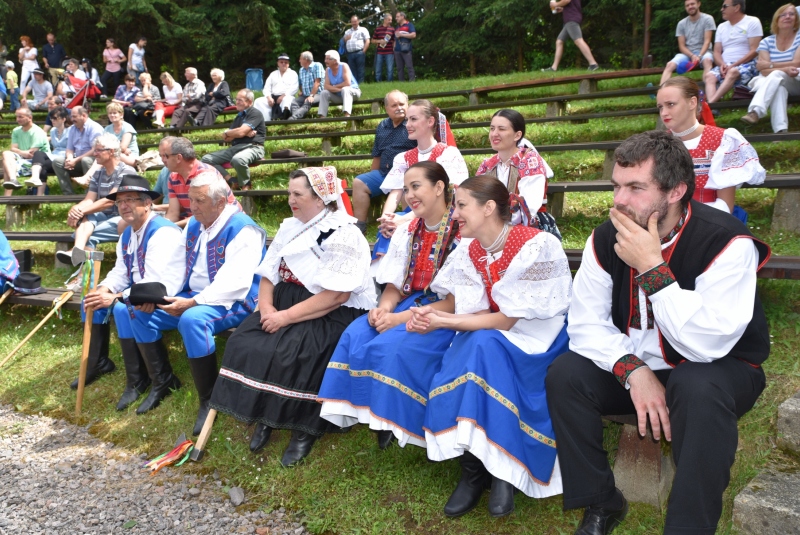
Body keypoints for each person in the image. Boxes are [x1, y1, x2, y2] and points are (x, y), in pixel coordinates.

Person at [546, 129, 770, 535]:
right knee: (566, 375)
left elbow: (708, 342)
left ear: (676, 191)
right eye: (617, 186)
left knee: (696, 385)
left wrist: (653, 269)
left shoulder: (728, 242)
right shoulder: (605, 237)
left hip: (723, 365)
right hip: (645, 365)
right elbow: (583, 323)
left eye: (635, 188)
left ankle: (688, 527)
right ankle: (602, 501)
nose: (619, 200)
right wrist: (633, 371)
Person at [416, 175, 571, 518]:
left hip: (538, 339)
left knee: (481, 345)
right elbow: (474, 311)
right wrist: (427, 315)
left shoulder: (536, 244)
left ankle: (501, 471)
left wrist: (443, 322)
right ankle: (476, 469)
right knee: (478, 345)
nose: (453, 213)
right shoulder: (470, 250)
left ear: (488, 208)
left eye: (460, 205)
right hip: (493, 333)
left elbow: (506, 320)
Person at [208, 166, 375, 464]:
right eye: (289, 193)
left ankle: (304, 428)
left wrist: (284, 318)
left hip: (329, 310)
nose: (290, 200)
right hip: (287, 300)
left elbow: (336, 295)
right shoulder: (290, 226)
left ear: (320, 198)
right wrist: (268, 307)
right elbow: (269, 271)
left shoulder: (344, 234)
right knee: (247, 342)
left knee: (299, 351)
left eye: (297, 194)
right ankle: (266, 413)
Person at [318, 161, 460, 451]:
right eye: (406, 189)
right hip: (409, 301)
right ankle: (373, 411)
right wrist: (384, 308)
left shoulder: (461, 232)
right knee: (356, 335)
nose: (409, 195)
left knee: (394, 346)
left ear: (439, 187)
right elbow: (394, 284)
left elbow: (456, 301)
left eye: (416, 187)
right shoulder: (408, 229)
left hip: (445, 311)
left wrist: (398, 319)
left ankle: (394, 418)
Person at [129, 171, 266, 426]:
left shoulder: (243, 228)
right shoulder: (194, 223)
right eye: (190, 200)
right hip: (195, 296)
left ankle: (210, 399)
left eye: (199, 201)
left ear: (221, 202)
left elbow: (235, 282)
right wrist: (160, 296)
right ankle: (162, 381)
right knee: (138, 310)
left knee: (192, 320)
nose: (192, 207)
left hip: (238, 300)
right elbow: (176, 265)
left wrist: (192, 303)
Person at [81, 175, 185, 409]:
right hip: (142, 290)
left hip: (167, 292)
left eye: (130, 199)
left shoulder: (163, 232)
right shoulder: (128, 232)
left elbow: (155, 281)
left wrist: (117, 296)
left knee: (121, 307)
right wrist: (104, 289)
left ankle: (152, 380)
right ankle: (119, 373)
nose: (124, 205)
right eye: (119, 202)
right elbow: (121, 271)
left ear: (147, 203)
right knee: (93, 300)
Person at [658, 76, 765, 215]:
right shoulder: (658, 144)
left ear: (692, 103)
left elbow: (726, 205)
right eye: (660, 107)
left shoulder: (722, 140)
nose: (664, 112)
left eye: (670, 104)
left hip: (711, 219)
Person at [376, 99, 467, 249]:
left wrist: (406, 219)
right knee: (389, 229)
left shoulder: (448, 154)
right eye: (407, 120)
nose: (407, 125)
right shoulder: (403, 157)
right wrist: (386, 219)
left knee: (402, 225)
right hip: (412, 213)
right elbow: (396, 193)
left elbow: (451, 194)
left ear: (430, 121)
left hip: (441, 214)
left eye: (413, 119)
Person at [476, 109, 561, 238]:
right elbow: (477, 199)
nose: (494, 134)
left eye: (502, 129)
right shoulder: (487, 165)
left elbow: (528, 207)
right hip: (493, 227)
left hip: (529, 228)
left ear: (517, 135)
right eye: (492, 128)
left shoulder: (530, 160)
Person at [56, 134, 136, 265]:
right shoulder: (98, 173)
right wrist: (76, 209)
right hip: (105, 215)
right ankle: (78, 254)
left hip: (125, 217)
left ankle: (82, 269)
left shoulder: (127, 171)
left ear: (111, 152)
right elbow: (89, 200)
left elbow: (110, 200)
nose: (94, 154)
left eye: (98, 150)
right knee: (88, 216)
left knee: (87, 234)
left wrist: (81, 212)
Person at [351, 90, 416, 234]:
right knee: (359, 182)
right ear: (386, 109)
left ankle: (408, 228)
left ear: (408, 105)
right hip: (384, 173)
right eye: (394, 105)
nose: (399, 108)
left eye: (402, 104)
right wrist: (373, 175)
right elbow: (377, 155)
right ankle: (360, 226)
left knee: (408, 189)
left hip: (407, 174)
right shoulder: (382, 126)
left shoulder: (412, 124)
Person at [741, 4, 800, 133]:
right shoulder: (766, 42)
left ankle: (755, 111)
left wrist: (771, 65)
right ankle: (780, 131)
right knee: (778, 86)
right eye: (783, 15)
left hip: (797, 81)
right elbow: (763, 70)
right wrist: (784, 68)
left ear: (796, 19)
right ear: (776, 20)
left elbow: (797, 63)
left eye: (791, 14)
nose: (787, 17)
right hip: (778, 80)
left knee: (776, 75)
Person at [161, 137, 239, 227]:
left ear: (179, 158)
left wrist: (172, 226)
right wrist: (165, 228)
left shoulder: (206, 175)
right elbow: (173, 213)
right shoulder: (173, 177)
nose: (164, 160)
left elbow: (208, 214)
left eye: (166, 156)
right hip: (201, 224)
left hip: (227, 223)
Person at [200, 89, 266, 191]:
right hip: (235, 148)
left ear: (249, 101)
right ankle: (232, 181)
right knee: (206, 159)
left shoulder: (255, 113)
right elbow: (226, 137)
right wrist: (233, 132)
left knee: (238, 159)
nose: (237, 102)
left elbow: (239, 133)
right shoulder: (239, 116)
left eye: (240, 100)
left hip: (253, 147)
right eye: (236, 99)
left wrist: (237, 132)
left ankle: (246, 184)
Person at [703, 0, 762, 104]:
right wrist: (722, 65)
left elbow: (754, 50)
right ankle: (713, 109)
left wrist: (734, 65)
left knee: (732, 72)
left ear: (736, 7)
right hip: (726, 65)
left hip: (747, 64)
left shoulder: (752, 22)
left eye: (725, 6)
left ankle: (710, 104)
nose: (722, 9)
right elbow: (716, 51)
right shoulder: (721, 27)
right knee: (709, 76)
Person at [660, 0, 716, 85]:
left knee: (707, 61)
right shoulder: (681, 24)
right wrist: (692, 56)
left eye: (692, 4)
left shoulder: (708, 19)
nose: (690, 7)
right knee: (669, 65)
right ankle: (661, 92)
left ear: (698, 4)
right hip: (688, 54)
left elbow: (707, 42)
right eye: (687, 5)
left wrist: (699, 56)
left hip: (704, 52)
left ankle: (706, 92)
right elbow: (681, 46)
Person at [51, 106, 104, 195]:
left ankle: (90, 194)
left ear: (83, 115)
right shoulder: (72, 129)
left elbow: (95, 150)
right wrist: (70, 159)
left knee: (86, 160)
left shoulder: (95, 128)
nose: (72, 119)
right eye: (71, 116)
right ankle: (68, 194)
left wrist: (76, 160)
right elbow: (70, 148)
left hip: (95, 161)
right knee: (57, 162)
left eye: (74, 116)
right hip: (78, 160)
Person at [24, 106, 71, 195]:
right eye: (51, 118)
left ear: (63, 119)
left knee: (42, 165)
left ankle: (39, 196)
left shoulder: (71, 131)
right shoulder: (53, 131)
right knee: (39, 155)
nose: (52, 120)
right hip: (54, 155)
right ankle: (37, 188)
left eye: (55, 118)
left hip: (64, 158)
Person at [542, 0, 599, 72]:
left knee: (578, 40)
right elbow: (573, 5)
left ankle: (593, 64)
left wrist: (555, 4)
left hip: (571, 19)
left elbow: (566, 0)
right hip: (570, 20)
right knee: (559, 41)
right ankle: (554, 67)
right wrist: (563, 9)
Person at [1, 108, 49, 194]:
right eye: (17, 117)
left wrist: (19, 152)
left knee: (7, 165)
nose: (17, 119)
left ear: (30, 117)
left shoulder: (37, 131)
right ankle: (13, 180)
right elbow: (13, 148)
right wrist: (22, 152)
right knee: (6, 154)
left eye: (20, 117)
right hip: (22, 158)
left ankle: (7, 200)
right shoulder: (16, 131)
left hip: (37, 163)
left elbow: (32, 153)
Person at [254, 55, 298, 122]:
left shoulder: (293, 74)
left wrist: (283, 96)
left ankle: (285, 117)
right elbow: (266, 88)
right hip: (273, 98)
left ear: (288, 64)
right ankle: (265, 121)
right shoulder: (273, 74)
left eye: (286, 62)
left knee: (287, 100)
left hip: (286, 96)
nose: (283, 64)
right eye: (281, 62)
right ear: (278, 63)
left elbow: (294, 88)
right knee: (258, 101)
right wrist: (269, 97)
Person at [317, 51, 361, 118]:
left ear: (335, 61)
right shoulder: (327, 70)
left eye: (328, 59)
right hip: (338, 95)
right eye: (325, 59)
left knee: (345, 89)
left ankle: (347, 116)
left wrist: (334, 87)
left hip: (352, 93)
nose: (325, 61)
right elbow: (326, 86)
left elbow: (347, 83)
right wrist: (339, 90)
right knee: (324, 93)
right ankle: (322, 117)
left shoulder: (344, 66)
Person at [289, 51, 325, 120]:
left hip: (318, 94)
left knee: (308, 101)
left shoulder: (317, 65)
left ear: (306, 59)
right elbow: (301, 83)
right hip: (305, 94)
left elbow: (317, 82)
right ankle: (297, 117)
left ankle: (293, 118)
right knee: (294, 102)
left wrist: (311, 96)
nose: (299, 61)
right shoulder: (301, 70)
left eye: (300, 59)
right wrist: (302, 91)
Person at [103, 102, 139, 167]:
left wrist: (111, 148)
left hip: (129, 156)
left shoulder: (127, 127)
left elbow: (122, 147)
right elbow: (103, 145)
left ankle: (89, 176)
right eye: (110, 113)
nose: (112, 115)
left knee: (107, 156)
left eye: (114, 113)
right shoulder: (107, 129)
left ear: (121, 115)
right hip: (113, 154)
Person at [344, 15, 370, 84]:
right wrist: (346, 39)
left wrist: (363, 51)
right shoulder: (347, 31)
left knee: (360, 70)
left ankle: (361, 85)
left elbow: (367, 41)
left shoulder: (363, 29)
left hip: (359, 52)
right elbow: (343, 41)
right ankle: (354, 84)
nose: (354, 23)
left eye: (355, 21)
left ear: (358, 21)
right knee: (352, 70)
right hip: (350, 54)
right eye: (352, 22)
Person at [394, 12, 417, 82]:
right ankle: (401, 82)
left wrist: (402, 35)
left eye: (397, 17)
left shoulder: (409, 25)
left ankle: (412, 81)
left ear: (402, 17)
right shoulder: (397, 27)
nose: (396, 18)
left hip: (406, 49)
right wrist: (394, 48)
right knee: (399, 68)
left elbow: (413, 35)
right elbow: (395, 39)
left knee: (409, 66)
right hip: (397, 50)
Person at [372, 14, 395, 82]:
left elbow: (394, 40)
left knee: (390, 69)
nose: (390, 21)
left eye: (391, 20)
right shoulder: (378, 29)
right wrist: (379, 41)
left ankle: (389, 83)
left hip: (390, 52)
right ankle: (378, 82)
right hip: (380, 52)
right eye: (389, 20)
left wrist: (394, 48)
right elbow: (372, 40)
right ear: (384, 20)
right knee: (378, 69)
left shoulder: (392, 29)